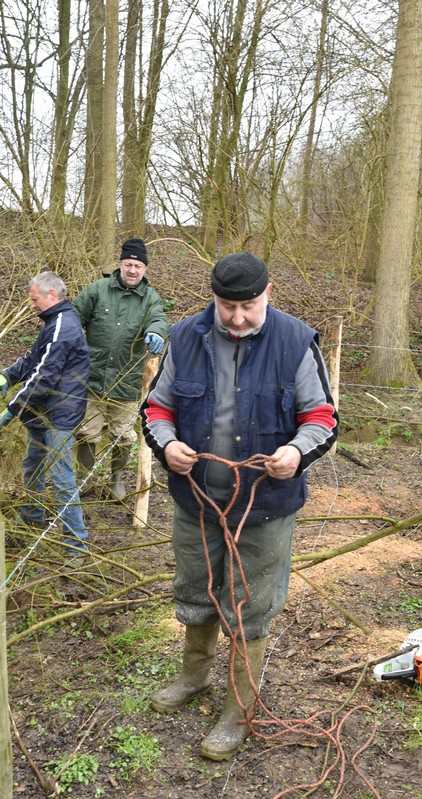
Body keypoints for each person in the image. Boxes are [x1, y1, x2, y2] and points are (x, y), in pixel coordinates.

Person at [139, 252, 338, 760]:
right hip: (197, 501)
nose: (237, 317)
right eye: (227, 306)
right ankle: (193, 677)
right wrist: (167, 444)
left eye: (248, 306)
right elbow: (156, 408)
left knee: (249, 607)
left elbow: (322, 417)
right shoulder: (186, 337)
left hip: (264, 507)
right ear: (214, 297)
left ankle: (238, 709)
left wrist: (295, 453)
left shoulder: (295, 342)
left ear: (267, 293)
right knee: (196, 592)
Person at [0, 271, 92, 551]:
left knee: (61, 477)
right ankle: (32, 518)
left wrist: (13, 408)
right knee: (33, 463)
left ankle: (76, 543)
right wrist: (8, 375)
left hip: (61, 412)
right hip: (43, 409)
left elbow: (44, 375)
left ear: (51, 295)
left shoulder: (63, 327)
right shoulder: (54, 322)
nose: (32, 304)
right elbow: (35, 358)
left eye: (34, 299)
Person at [73, 237, 169, 501]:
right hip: (93, 375)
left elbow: (159, 319)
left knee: (123, 435)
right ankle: (84, 478)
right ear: (121, 264)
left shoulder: (150, 298)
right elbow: (74, 316)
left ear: (145, 269)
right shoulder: (98, 289)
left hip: (128, 379)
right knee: (87, 430)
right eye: (128, 264)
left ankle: (116, 480)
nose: (132, 270)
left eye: (138, 266)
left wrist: (156, 332)